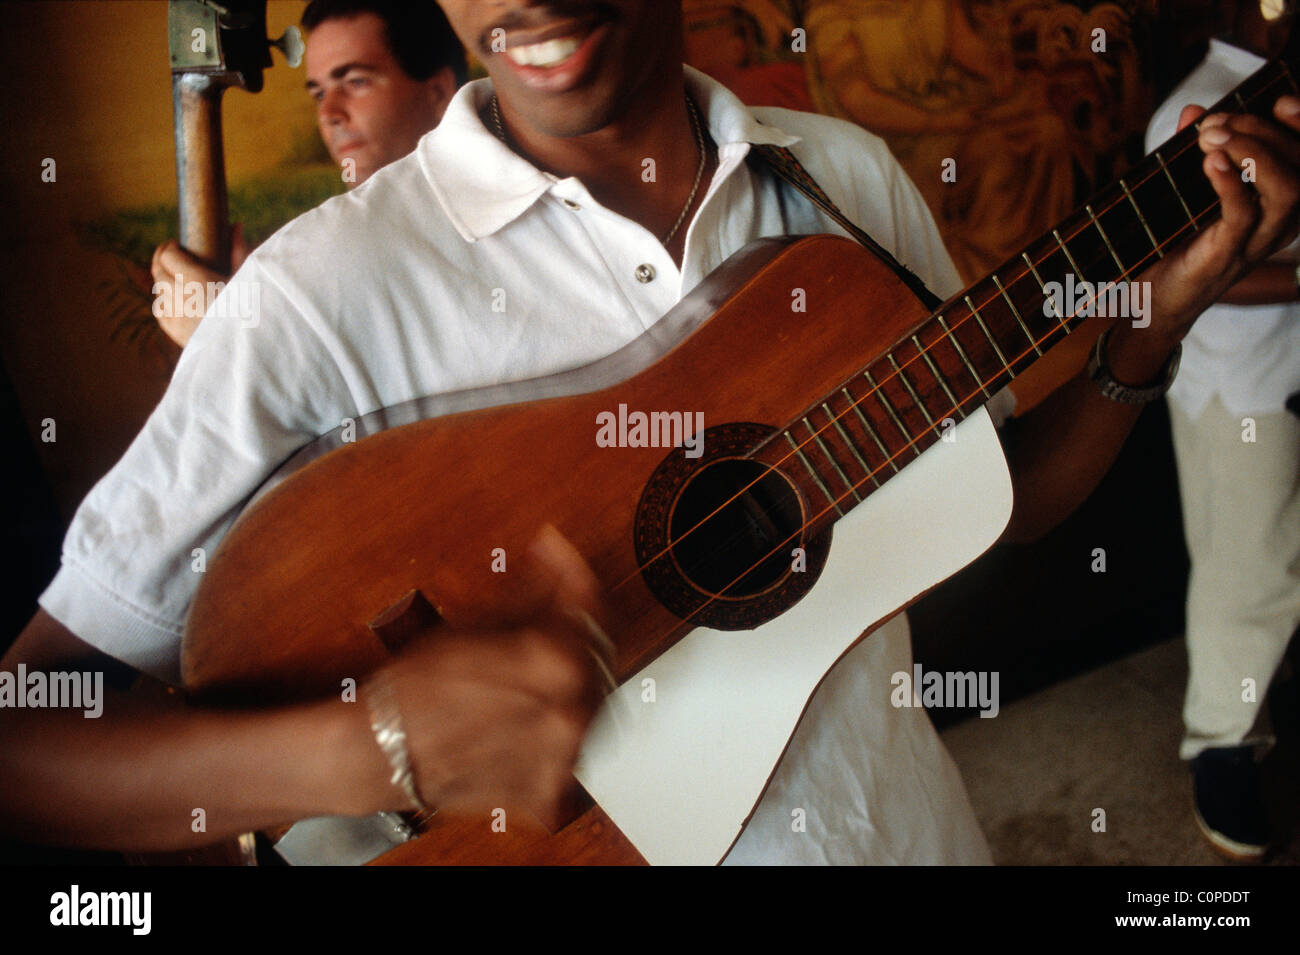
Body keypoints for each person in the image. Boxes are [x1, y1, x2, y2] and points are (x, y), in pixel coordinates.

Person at [3, 0, 1299, 864]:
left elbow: (983, 492)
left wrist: (1144, 333)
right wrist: (372, 742)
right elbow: (29, 731)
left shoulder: (838, 176)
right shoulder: (316, 295)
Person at [1144, 0, 1300, 860]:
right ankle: (1220, 749)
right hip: (1235, 384)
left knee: (1264, 558)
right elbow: (1194, 275)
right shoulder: (1199, 110)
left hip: (1273, 375)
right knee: (1249, 572)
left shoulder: (1267, 93)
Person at [151, 0, 467, 347]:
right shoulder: (336, 247)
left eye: (356, 81)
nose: (328, 112)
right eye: (318, 94)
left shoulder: (476, 232)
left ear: (437, 92)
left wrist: (226, 340)